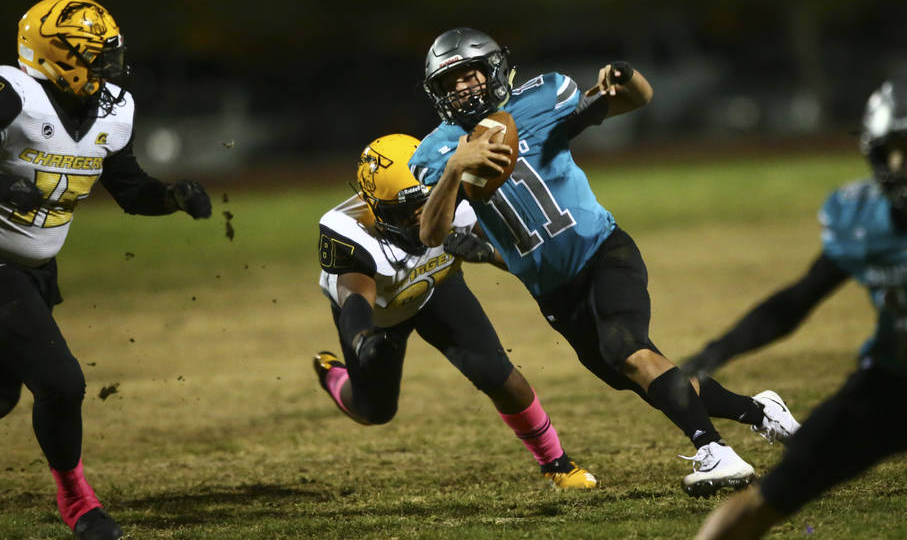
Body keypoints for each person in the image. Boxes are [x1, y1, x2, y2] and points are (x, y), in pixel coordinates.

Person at [408, 27, 800, 497]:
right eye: (449, 83)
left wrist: (626, 76)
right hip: (553, 291)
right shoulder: (434, 152)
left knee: (626, 348)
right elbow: (431, 233)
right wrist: (456, 167)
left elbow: (635, 98)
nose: (461, 89)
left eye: (468, 76)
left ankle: (715, 451)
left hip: (603, 252)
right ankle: (762, 413)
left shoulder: (543, 97)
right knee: (636, 375)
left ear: (492, 70)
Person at [688, 76, 907, 540]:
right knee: (770, 499)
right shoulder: (862, 217)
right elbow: (797, 301)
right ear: (878, 153)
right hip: (888, 387)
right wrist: (719, 350)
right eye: (902, 149)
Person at [0, 0, 212, 540]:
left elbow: (128, 187)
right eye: (93, 56)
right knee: (61, 383)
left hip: (35, 272)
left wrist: (171, 198)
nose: (106, 67)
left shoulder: (115, 107)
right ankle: (78, 502)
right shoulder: (11, 95)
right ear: (54, 55)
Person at [311, 133, 597, 489]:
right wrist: (363, 341)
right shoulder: (349, 229)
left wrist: (488, 252)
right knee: (375, 411)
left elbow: (524, 259)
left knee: (498, 374)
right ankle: (333, 374)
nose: (419, 219)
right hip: (379, 319)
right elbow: (355, 298)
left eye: (425, 204)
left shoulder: (459, 201)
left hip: (438, 289)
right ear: (373, 206)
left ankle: (557, 464)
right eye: (404, 212)